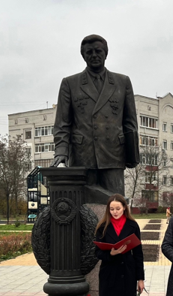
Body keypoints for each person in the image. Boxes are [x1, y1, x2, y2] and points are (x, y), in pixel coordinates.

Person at [52, 34, 140, 205]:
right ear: (83, 55)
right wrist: (61, 151)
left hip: (113, 154)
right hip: (82, 155)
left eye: (98, 51)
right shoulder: (70, 83)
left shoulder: (122, 82)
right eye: (89, 52)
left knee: (115, 206)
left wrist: (132, 155)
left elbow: (130, 122)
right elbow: (62, 124)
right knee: (83, 207)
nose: (94, 55)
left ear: (105, 53)